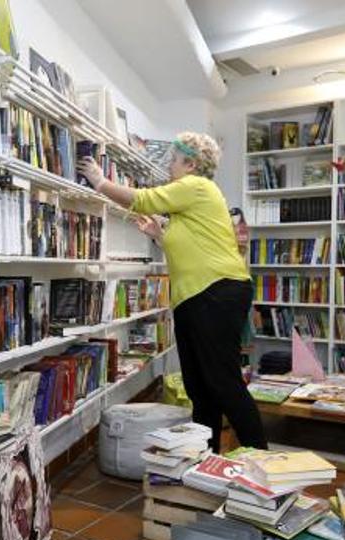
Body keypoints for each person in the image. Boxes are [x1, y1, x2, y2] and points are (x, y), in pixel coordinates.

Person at [78, 132, 267, 452]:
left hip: (215, 293)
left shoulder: (196, 186)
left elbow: (143, 199)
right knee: (200, 387)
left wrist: (100, 181)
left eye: (174, 161)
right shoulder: (189, 205)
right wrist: (158, 235)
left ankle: (262, 463)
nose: (170, 167)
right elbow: (191, 248)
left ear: (191, 164)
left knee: (222, 382)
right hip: (199, 296)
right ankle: (205, 461)